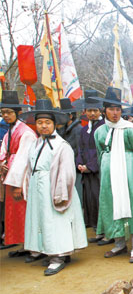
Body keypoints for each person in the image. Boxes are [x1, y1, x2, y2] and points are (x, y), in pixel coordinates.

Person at [19, 99, 87, 275]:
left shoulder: (61, 146)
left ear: (54, 124)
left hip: (54, 187)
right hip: (38, 187)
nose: (43, 126)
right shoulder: (36, 143)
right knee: (44, 221)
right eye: (40, 123)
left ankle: (58, 256)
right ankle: (51, 251)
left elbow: (67, 173)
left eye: (47, 123)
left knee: (56, 220)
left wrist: (60, 193)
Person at [95, 87, 133, 263]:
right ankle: (119, 243)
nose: (115, 113)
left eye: (118, 109)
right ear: (105, 111)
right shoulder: (100, 132)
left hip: (129, 174)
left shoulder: (131, 130)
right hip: (109, 175)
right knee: (111, 205)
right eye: (111, 109)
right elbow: (99, 152)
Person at [0, 91, 37, 254]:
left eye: (9, 112)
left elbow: (23, 160)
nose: (6, 116)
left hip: (21, 178)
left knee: (25, 212)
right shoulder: (10, 131)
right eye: (3, 113)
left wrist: (17, 185)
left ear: (18, 112)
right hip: (10, 174)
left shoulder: (26, 132)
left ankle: (32, 246)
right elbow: (4, 151)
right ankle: (23, 244)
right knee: (15, 213)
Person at [74, 89, 109, 244]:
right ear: (85, 112)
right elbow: (80, 148)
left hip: (99, 170)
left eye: (95, 110)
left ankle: (108, 231)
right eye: (89, 111)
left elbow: (101, 150)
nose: (92, 114)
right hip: (86, 171)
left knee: (101, 199)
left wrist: (90, 166)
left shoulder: (104, 127)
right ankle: (98, 230)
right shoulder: (84, 130)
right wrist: (80, 164)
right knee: (90, 201)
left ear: (100, 111)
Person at [57, 98, 83, 201]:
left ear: (70, 116)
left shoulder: (77, 130)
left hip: (75, 169)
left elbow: (79, 150)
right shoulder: (63, 129)